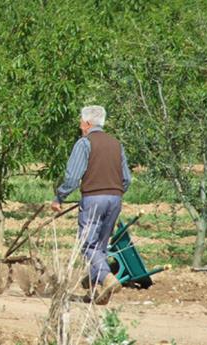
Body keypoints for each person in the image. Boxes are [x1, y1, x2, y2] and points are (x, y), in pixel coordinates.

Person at [51, 105, 132, 305]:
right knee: (100, 247)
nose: (80, 126)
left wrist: (59, 197)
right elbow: (127, 179)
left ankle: (107, 278)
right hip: (115, 198)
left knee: (87, 243)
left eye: (81, 122)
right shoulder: (116, 144)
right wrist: (113, 192)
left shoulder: (84, 143)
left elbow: (72, 177)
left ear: (87, 123)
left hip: (94, 198)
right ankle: (97, 292)